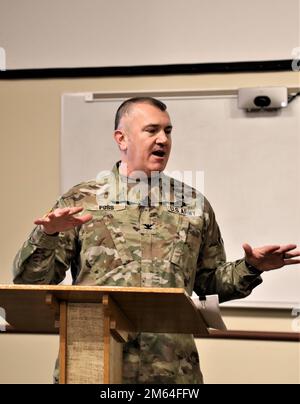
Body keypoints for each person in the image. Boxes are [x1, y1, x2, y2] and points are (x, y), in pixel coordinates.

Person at [13, 97, 300, 384]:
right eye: (152, 130)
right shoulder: (82, 201)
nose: (163, 139)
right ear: (121, 138)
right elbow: (31, 283)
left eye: (168, 131)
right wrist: (47, 235)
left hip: (170, 372)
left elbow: (209, 283)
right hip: (94, 368)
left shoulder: (193, 205)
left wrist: (251, 266)